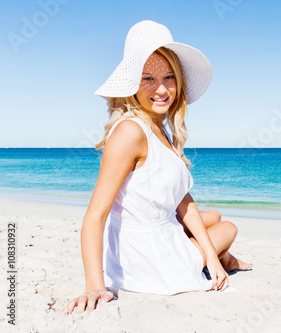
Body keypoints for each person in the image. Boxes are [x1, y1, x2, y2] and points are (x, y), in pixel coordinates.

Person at [61, 20, 251, 315]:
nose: (161, 89)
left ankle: (217, 255)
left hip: (158, 232)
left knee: (212, 216)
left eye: (169, 77)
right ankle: (224, 257)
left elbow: (181, 199)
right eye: (148, 78)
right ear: (131, 84)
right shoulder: (130, 132)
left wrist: (209, 257)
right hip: (149, 258)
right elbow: (94, 216)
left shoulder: (159, 130)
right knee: (228, 227)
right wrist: (94, 285)